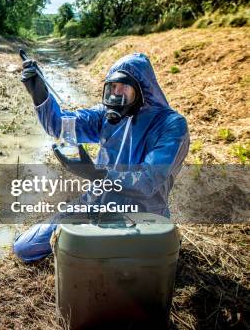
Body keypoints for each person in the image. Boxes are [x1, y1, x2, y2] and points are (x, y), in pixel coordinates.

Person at [13, 52, 190, 262]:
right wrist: (39, 93)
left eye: (123, 87)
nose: (116, 94)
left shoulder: (171, 125)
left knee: (121, 262)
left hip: (142, 214)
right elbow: (61, 125)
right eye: (112, 87)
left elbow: (147, 181)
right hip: (95, 203)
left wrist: (97, 174)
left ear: (142, 89)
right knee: (25, 248)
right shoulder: (105, 116)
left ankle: (152, 244)